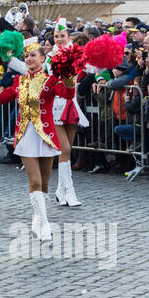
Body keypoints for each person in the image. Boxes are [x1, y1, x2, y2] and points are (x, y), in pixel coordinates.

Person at [0, 38, 74, 242]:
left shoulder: (50, 81)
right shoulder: (19, 81)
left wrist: (69, 77)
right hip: (26, 136)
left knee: (44, 183)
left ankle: (37, 218)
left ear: (43, 58)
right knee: (34, 180)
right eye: (26, 56)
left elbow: (67, 94)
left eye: (33, 55)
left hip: (46, 136)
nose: (28, 59)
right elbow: (0, 98)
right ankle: (45, 223)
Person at [48, 18, 89, 207]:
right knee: (63, 149)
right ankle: (70, 191)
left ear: (69, 36)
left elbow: (89, 68)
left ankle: (60, 190)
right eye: (56, 36)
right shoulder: (49, 57)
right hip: (55, 106)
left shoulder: (76, 54)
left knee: (67, 150)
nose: (59, 39)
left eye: (62, 36)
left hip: (70, 104)